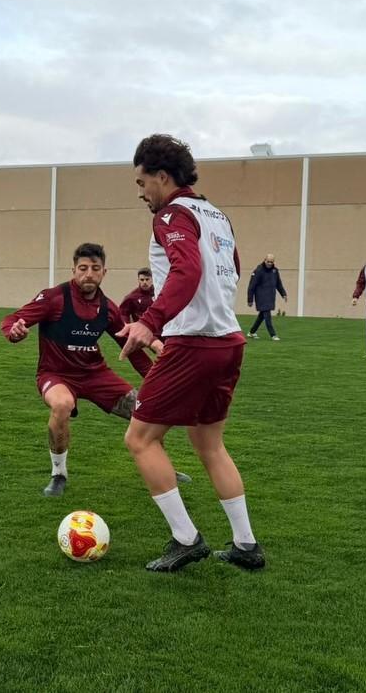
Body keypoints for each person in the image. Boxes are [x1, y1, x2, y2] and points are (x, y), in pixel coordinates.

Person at [117, 133, 263, 573]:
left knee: (140, 439)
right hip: (229, 341)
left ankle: (186, 538)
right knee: (208, 443)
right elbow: (233, 268)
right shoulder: (217, 214)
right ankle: (245, 545)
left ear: (162, 177)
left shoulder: (170, 215)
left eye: (142, 182)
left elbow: (188, 269)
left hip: (193, 342)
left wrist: (150, 320)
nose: (140, 192)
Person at [1, 242, 191, 496]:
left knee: (146, 411)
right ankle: (59, 474)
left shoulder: (108, 308)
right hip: (56, 374)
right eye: (82, 268)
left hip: (95, 375)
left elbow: (130, 346)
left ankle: (162, 467)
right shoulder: (54, 298)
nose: (88, 274)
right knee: (61, 405)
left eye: (95, 268)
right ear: (73, 270)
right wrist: (14, 332)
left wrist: (155, 379)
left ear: (104, 272)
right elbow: (12, 320)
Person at [246, 254, 287, 340]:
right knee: (267, 315)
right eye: (268, 261)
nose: (269, 263)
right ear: (264, 260)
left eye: (271, 262)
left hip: (270, 297)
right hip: (261, 297)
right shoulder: (258, 271)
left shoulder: (275, 271)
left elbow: (278, 284)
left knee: (262, 316)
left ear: (273, 262)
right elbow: (251, 286)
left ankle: (252, 332)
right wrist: (250, 299)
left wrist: (283, 294)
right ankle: (273, 335)